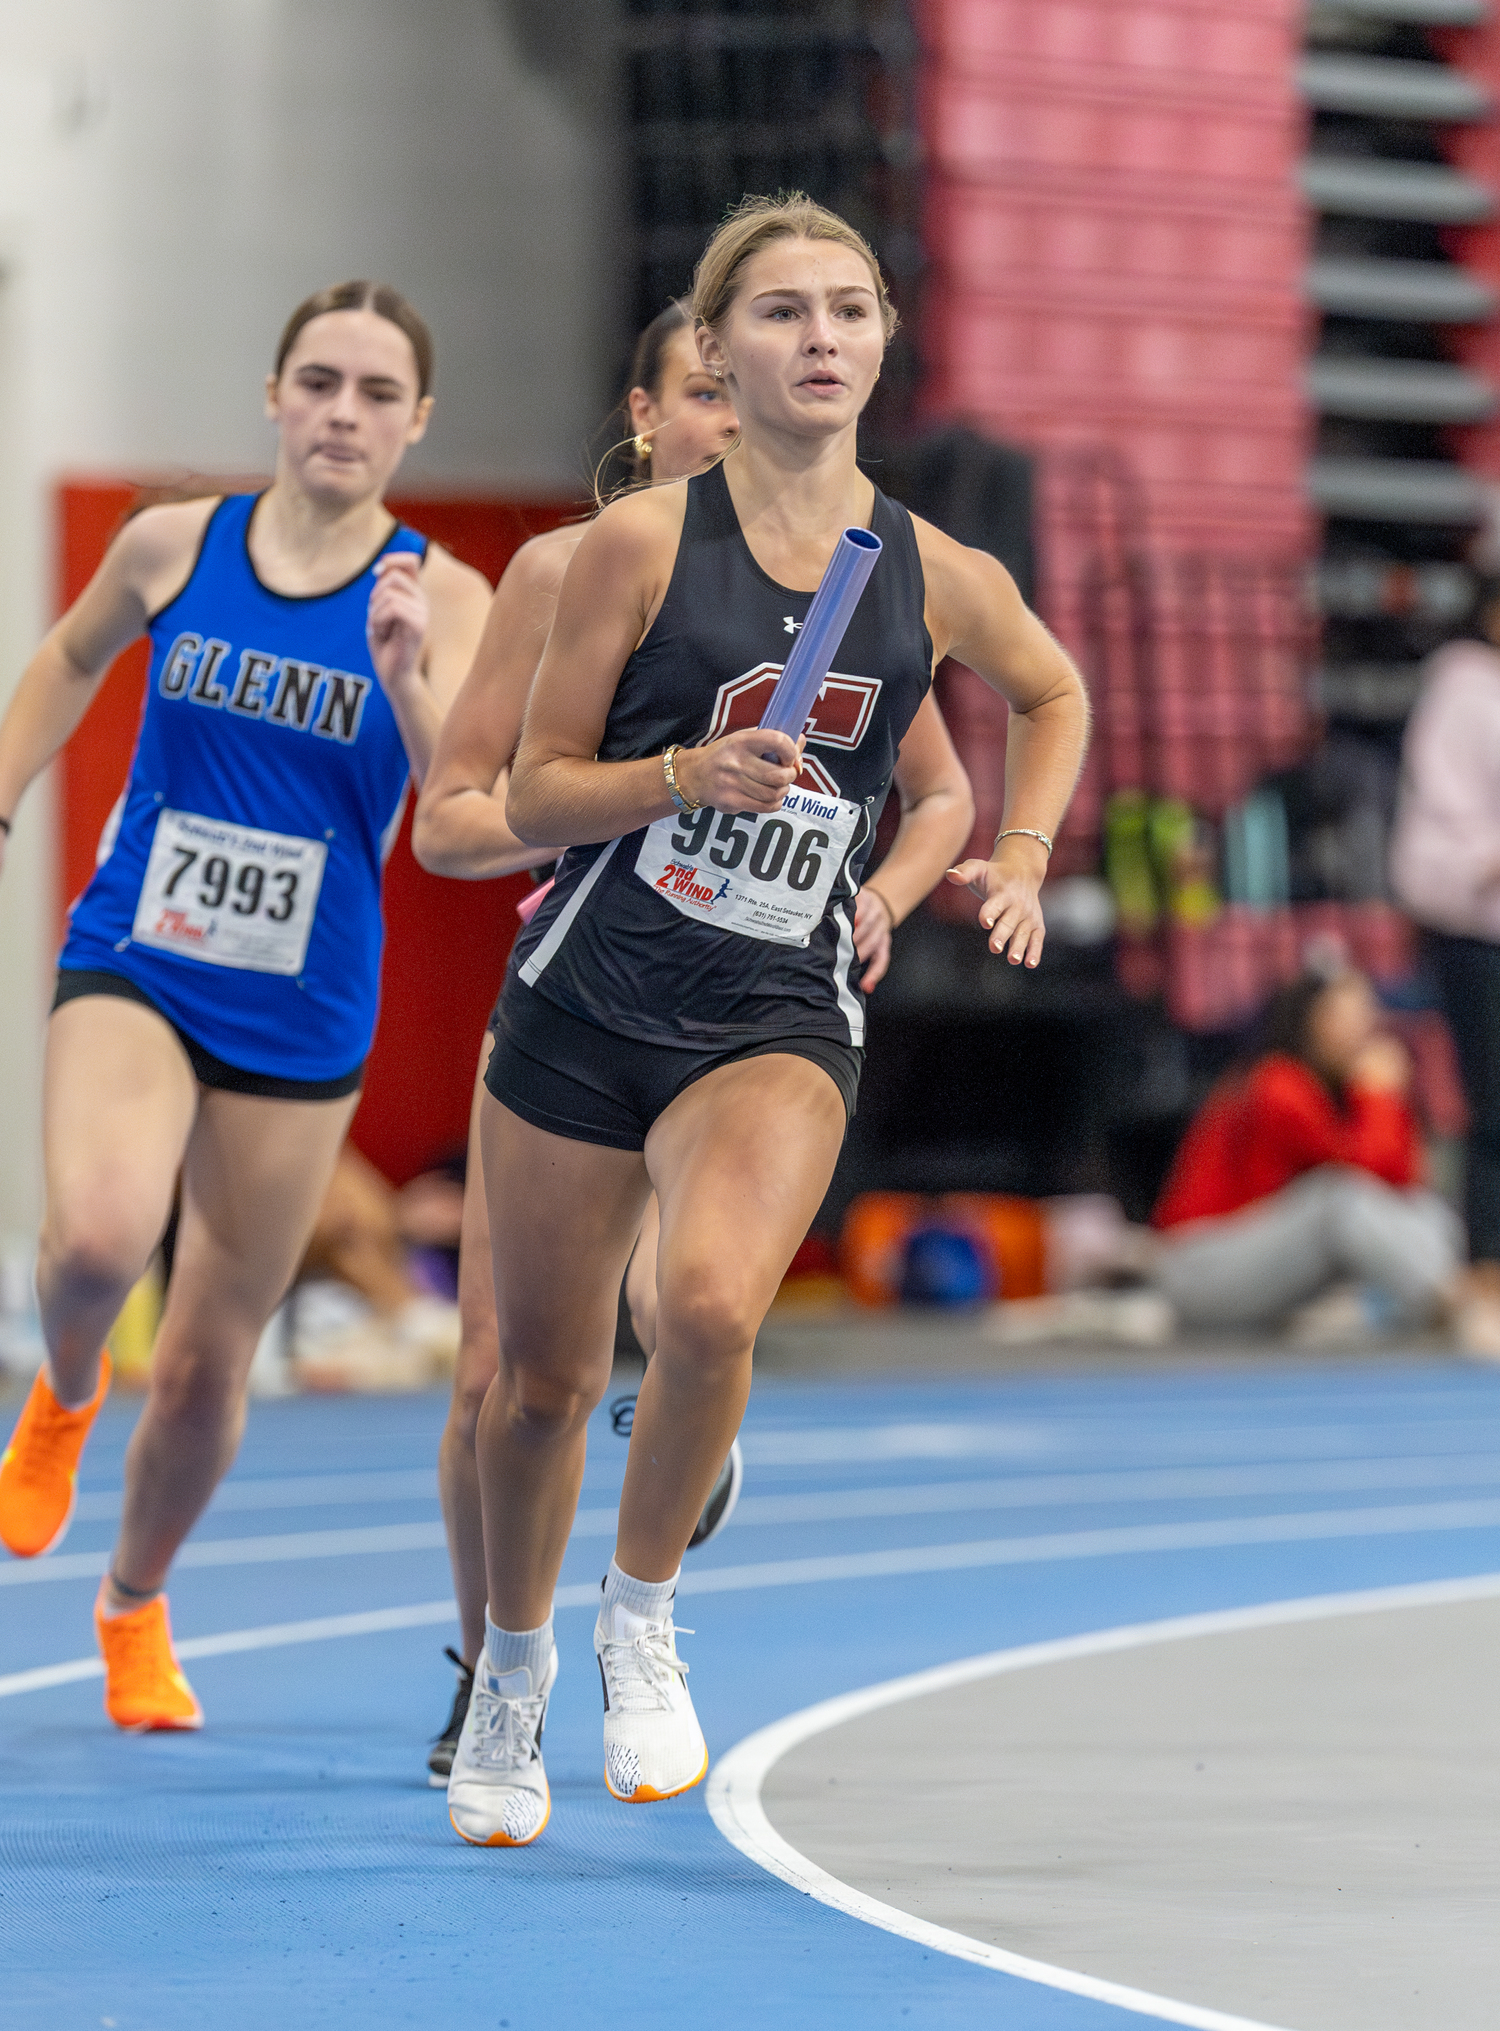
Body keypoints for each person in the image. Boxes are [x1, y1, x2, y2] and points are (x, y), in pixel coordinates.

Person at [435, 192, 1088, 1848]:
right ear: (715, 353)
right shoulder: (639, 551)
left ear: (883, 340)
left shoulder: (931, 569)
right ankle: (508, 1673)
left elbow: (1054, 692)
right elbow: (532, 786)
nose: (821, 339)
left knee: (716, 1308)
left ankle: (637, 1621)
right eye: (784, 313)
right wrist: (683, 775)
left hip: (776, 1005)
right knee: (542, 1385)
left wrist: (1009, 849)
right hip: (587, 1000)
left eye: (850, 309)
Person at [0, 280, 490, 1730]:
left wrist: (405, 676)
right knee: (96, 1236)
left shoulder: (444, 592)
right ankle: (68, 1391)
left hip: (302, 1004)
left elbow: (458, 798)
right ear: (274, 397)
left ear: (416, 422)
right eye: (321, 382)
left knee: (215, 1356)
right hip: (140, 951)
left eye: (377, 393)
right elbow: (72, 653)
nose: (344, 413)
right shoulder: (175, 542)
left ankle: (134, 1601)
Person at [1152, 964, 1478, 1340]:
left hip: (1257, 1262)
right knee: (1338, 1201)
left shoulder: (1340, 1089)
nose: (1367, 1029)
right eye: (1350, 1016)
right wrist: (1380, 1097)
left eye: (1369, 1013)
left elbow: (1400, 1186)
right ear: (1312, 1021)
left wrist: (1380, 1098)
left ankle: (1438, 1307)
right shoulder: (1276, 1083)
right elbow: (1360, 1182)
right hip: (1199, 1269)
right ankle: (1452, 1308)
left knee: (1428, 1212)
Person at [1390, 586, 1500, 1353]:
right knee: (1494, 1108)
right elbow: (1445, 821)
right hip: (1475, 924)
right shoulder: (1464, 688)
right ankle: (1487, 1273)